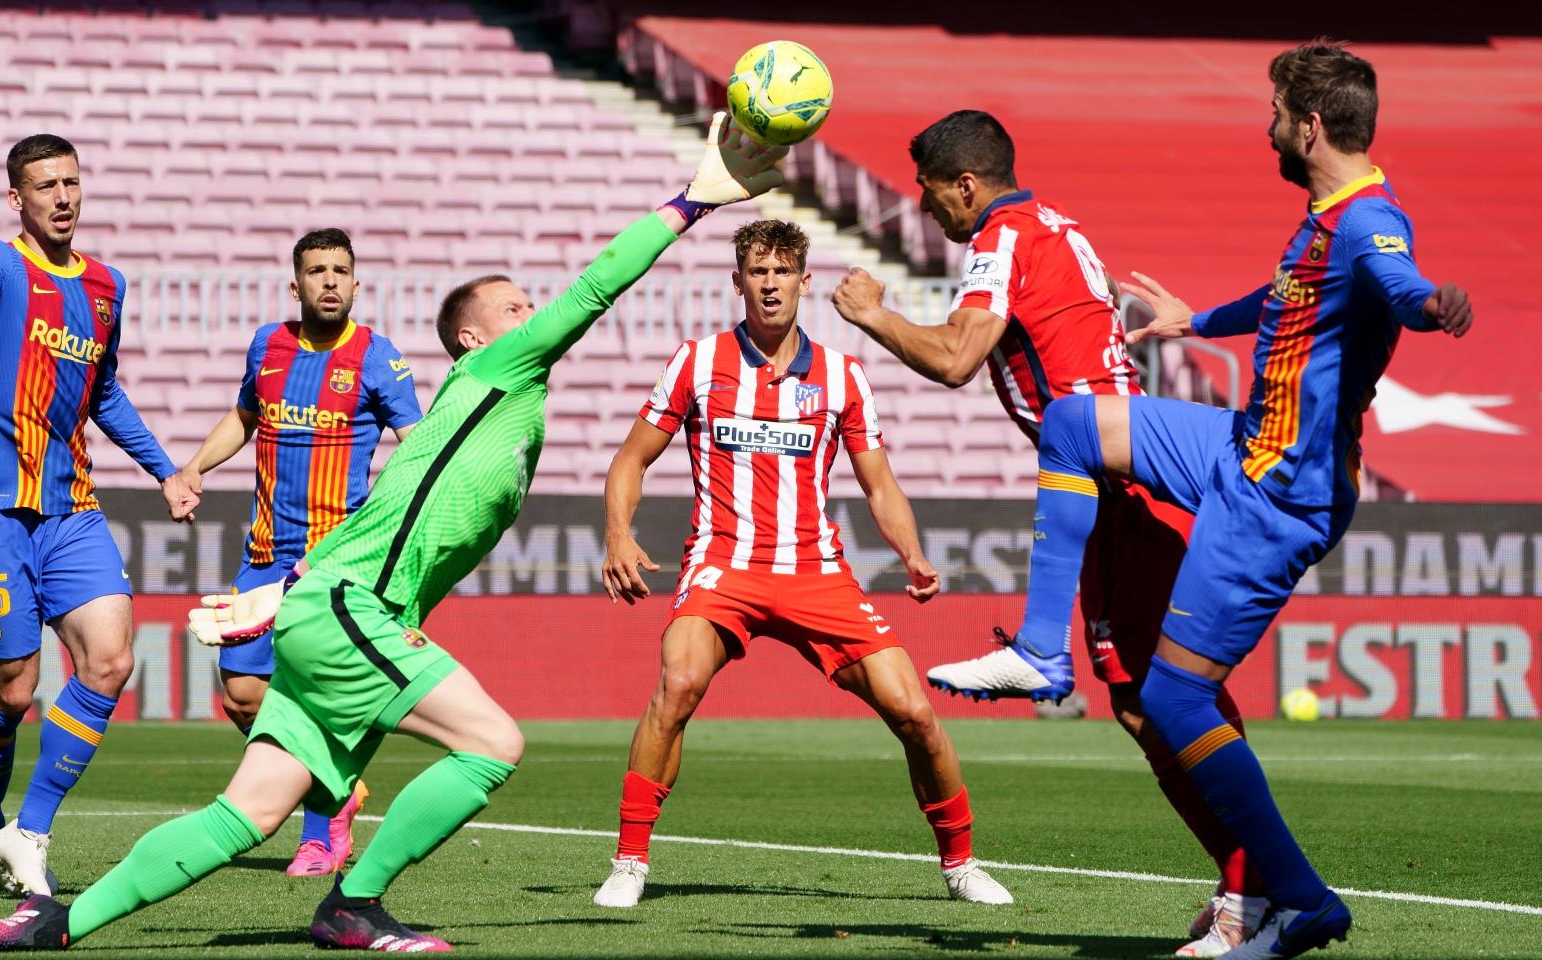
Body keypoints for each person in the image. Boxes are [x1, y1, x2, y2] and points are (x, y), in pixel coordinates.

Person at [0, 112, 786, 955]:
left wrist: (293, 587)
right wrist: (692, 203)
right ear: (474, 337)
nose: (534, 313)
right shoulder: (501, 369)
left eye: (530, 305)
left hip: (340, 604)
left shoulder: (483, 408)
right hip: (355, 610)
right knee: (493, 745)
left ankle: (56, 924)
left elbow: (389, 508)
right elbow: (594, 288)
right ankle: (354, 904)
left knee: (244, 816)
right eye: (515, 307)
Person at [915, 42, 1473, 960]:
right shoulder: (1328, 215)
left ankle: (1299, 901)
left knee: (1174, 701)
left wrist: (1428, 305)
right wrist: (1197, 320)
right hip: (1239, 440)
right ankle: (1040, 650)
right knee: (1074, 423)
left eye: (1275, 113)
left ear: (1311, 125)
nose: (1268, 127)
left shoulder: (1370, 219)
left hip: (1279, 489)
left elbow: (1395, 278)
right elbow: (1289, 297)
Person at [831, 109, 1264, 955]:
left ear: (966, 184)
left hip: (1126, 484)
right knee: (1144, 701)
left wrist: (873, 315)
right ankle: (1244, 881)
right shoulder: (1054, 225)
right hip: (1114, 485)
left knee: (1171, 696)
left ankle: (1259, 889)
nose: (923, 209)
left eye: (929, 190)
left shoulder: (1000, 236)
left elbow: (960, 357)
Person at [592, 219, 1011, 910]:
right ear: (738, 282)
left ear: (804, 282)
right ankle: (630, 860)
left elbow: (880, 483)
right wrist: (617, 534)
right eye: (757, 271)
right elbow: (631, 459)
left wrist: (911, 553)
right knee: (679, 683)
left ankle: (961, 863)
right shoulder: (697, 362)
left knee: (914, 712)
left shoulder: (844, 375)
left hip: (817, 572)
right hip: (725, 565)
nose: (770, 283)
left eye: (782, 271)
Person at [0, 125, 195, 898]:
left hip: (71, 506)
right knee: (14, 692)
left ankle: (33, 831)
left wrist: (163, 470)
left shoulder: (106, 285)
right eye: (46, 186)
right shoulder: (0, 262)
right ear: (20, 198)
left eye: (72, 183)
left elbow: (102, 390)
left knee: (110, 661)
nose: (64, 197)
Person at [166, 228, 423, 876]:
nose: (330, 281)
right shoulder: (268, 346)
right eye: (317, 270)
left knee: (311, 694)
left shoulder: (377, 357)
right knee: (243, 694)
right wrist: (196, 464)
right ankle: (335, 783)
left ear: (357, 283)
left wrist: (387, 524)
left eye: (340, 270)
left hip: (335, 564)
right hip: (264, 553)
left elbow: (415, 447)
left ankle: (318, 834)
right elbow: (243, 417)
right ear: (296, 283)